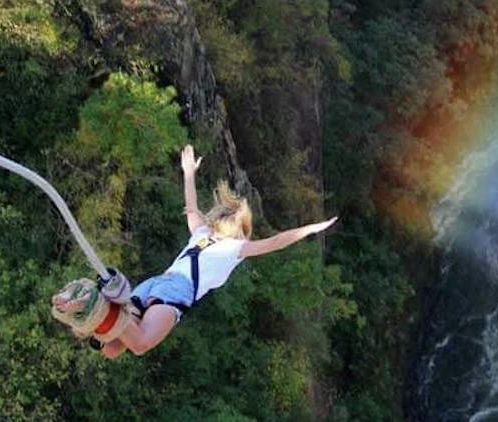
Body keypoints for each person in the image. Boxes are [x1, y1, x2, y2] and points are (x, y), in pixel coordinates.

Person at [52, 145, 337, 358]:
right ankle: (94, 301)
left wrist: (189, 173)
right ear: (241, 230)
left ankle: (94, 309)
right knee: (137, 345)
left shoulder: (201, 233)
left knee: (112, 349)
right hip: (176, 291)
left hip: (155, 283)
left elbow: (191, 207)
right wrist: (311, 229)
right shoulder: (234, 247)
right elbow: (275, 242)